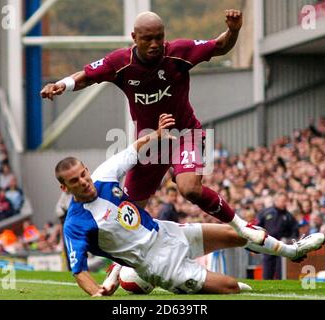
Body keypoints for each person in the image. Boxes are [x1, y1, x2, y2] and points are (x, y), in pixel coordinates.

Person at [41, 9, 267, 245]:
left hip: (184, 134)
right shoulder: (120, 63)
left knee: (189, 189)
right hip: (150, 143)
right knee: (129, 212)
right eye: (147, 38)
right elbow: (87, 75)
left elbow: (219, 46)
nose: (155, 44)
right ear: (134, 37)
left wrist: (234, 29)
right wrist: (62, 85)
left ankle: (242, 227)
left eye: (159, 37)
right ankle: (120, 268)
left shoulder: (179, 53)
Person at [55, 114, 325, 296]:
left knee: (235, 234)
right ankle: (126, 272)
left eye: (83, 174)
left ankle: (293, 251)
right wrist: (97, 293)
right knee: (231, 288)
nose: (84, 181)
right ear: (65, 188)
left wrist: (158, 134)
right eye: (75, 181)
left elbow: (132, 151)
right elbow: (78, 271)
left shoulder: (103, 175)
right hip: (158, 264)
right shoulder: (76, 224)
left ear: (87, 170)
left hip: (168, 232)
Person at [257, 192, 299, 280]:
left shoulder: (289, 216)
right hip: (268, 245)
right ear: (276, 201)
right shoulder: (265, 212)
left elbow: (295, 233)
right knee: (267, 270)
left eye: (285, 201)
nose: (284, 203)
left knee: (281, 270)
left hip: (282, 247)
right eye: (282, 201)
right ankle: (266, 285)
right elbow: (257, 226)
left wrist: (288, 241)